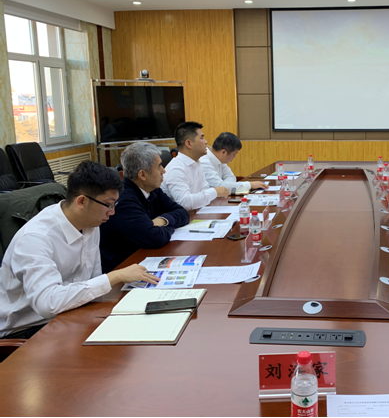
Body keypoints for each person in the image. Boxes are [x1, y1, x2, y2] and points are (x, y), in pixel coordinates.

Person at [0, 161, 159, 339]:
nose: (112, 212)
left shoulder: (90, 223)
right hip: (25, 329)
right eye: (108, 205)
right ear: (82, 201)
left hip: (70, 313)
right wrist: (114, 277)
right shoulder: (35, 238)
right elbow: (47, 304)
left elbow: (92, 281)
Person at [100, 142, 190, 273]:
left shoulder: (152, 189)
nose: (164, 170)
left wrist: (163, 220)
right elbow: (155, 238)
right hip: (122, 269)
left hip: (142, 259)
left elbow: (183, 213)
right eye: (159, 166)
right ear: (142, 175)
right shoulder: (124, 200)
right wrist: (169, 227)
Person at [161, 122, 230, 211]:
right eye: (202, 138)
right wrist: (214, 192)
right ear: (189, 143)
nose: (206, 142)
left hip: (195, 213)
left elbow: (204, 191)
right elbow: (185, 203)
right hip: (178, 217)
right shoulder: (176, 168)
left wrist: (213, 193)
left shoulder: (196, 163)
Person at [200, 132, 268, 194]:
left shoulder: (219, 159)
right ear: (223, 152)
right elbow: (219, 187)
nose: (234, 157)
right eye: (234, 154)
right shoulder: (204, 162)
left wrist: (226, 185)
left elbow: (231, 177)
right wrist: (250, 185)